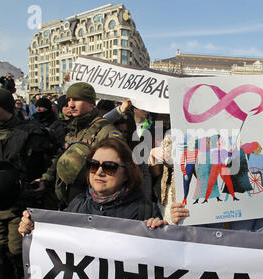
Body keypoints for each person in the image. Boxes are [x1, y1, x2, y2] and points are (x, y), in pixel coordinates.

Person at [0, 88, 58, 279]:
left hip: (20, 205)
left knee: (17, 251)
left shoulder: (32, 133)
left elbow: (55, 158)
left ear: (8, 108)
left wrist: (45, 180)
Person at [18, 137, 166, 236]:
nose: (99, 172)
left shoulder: (145, 211)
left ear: (127, 173)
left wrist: (159, 232)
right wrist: (32, 228)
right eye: (93, 165)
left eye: (109, 167)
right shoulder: (77, 205)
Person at [37, 82, 123, 210]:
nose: (71, 104)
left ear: (91, 103)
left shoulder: (106, 132)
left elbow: (118, 172)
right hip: (66, 202)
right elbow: (61, 156)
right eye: (69, 100)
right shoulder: (74, 129)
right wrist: (46, 178)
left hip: (90, 206)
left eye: (76, 99)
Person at [103, 98, 155, 203]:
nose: (121, 135)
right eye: (119, 131)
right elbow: (100, 123)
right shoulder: (105, 150)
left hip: (131, 200)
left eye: (125, 132)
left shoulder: (139, 148)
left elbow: (145, 175)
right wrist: (120, 110)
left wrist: (146, 201)